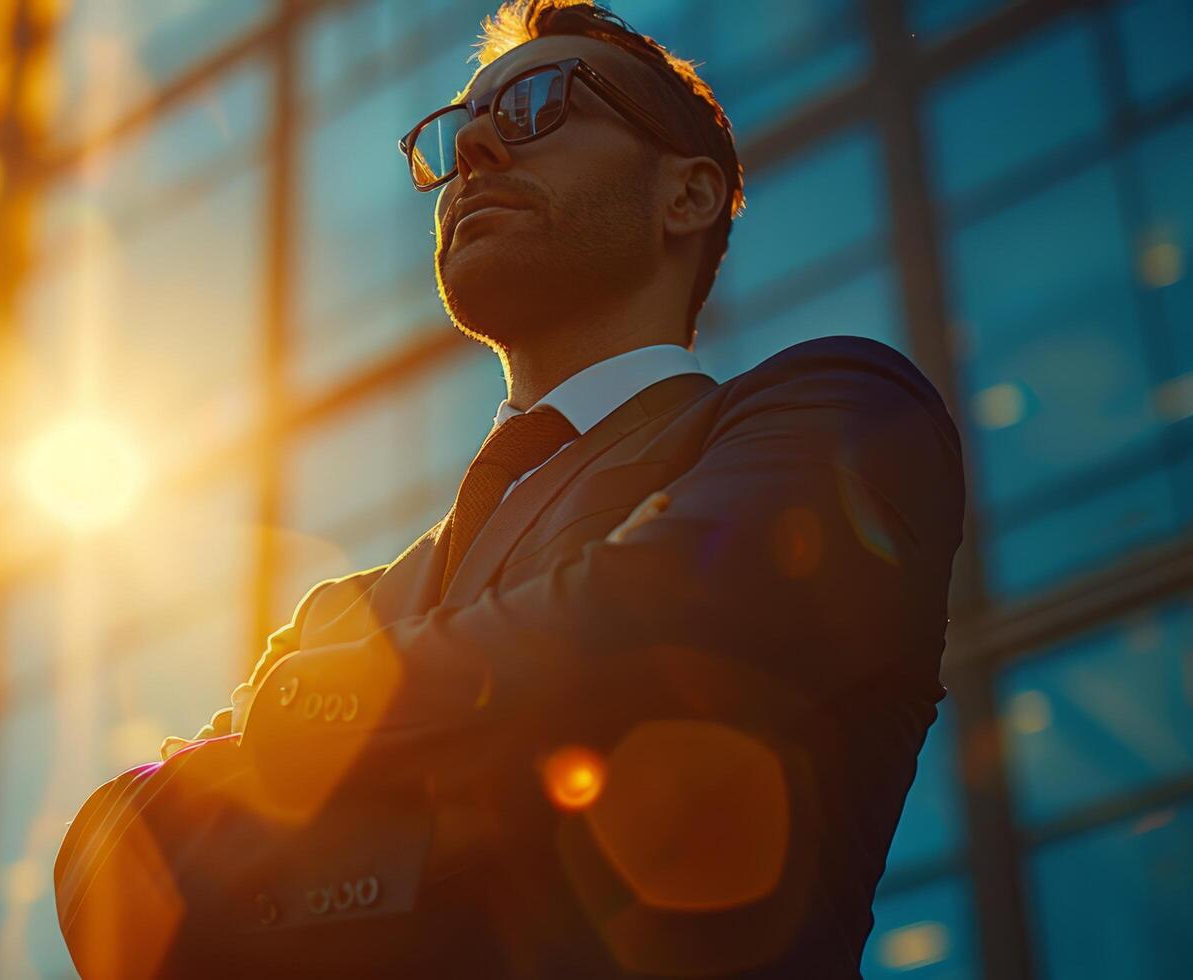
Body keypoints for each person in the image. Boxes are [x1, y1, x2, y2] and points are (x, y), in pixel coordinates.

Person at [58, 2, 964, 976]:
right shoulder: (345, 610)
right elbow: (116, 863)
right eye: (455, 131)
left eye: (540, 103)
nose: (478, 145)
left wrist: (311, 748)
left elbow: (667, 631)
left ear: (687, 196)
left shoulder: (840, 414)